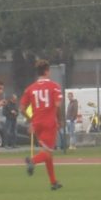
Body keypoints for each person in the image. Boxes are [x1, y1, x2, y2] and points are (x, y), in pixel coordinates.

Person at [20, 59, 63, 191]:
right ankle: (32, 161)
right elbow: (58, 105)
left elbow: (21, 108)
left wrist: (31, 120)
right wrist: (59, 120)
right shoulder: (54, 86)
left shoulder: (30, 89)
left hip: (37, 123)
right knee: (47, 152)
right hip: (49, 122)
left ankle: (53, 182)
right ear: (46, 71)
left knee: (48, 153)